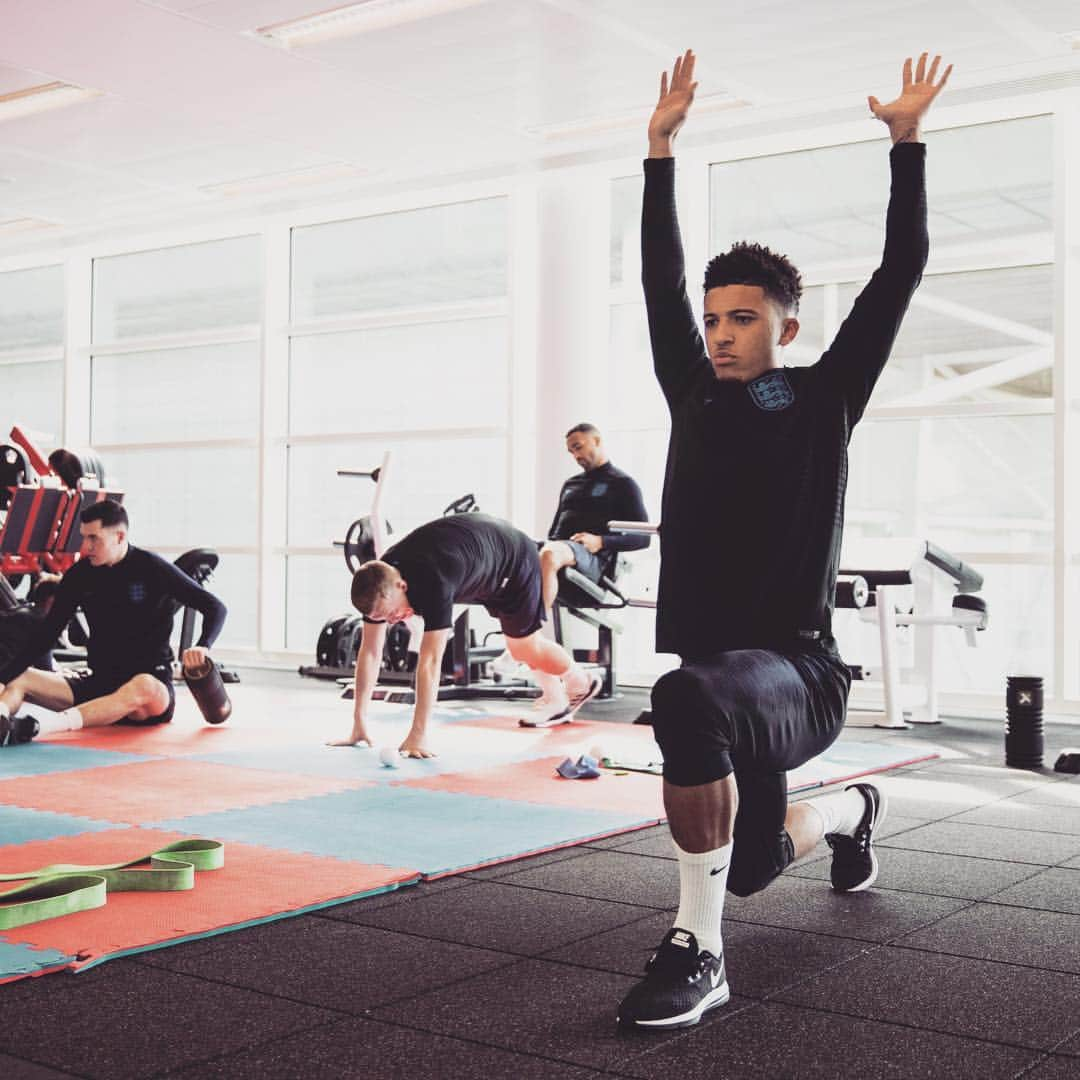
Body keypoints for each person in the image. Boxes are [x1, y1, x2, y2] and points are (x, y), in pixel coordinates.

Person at [617, 49, 950, 1030]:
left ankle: (699, 952)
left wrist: (907, 146)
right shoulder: (693, 396)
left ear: (786, 329)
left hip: (798, 675)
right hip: (726, 682)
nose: (720, 333)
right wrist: (657, 151)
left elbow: (900, 273)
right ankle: (852, 815)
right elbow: (657, 277)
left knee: (682, 701)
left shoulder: (821, 398)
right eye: (714, 319)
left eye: (742, 319)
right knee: (754, 862)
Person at [332, 512, 602, 757]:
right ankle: (556, 698)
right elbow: (369, 652)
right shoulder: (379, 582)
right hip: (477, 565)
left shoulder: (433, 581)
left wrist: (418, 735)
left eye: (392, 614)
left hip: (513, 559)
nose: (391, 622)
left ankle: (581, 681)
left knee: (523, 647)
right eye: (382, 618)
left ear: (402, 585)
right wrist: (359, 722)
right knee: (521, 645)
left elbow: (430, 663)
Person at [0, 499, 227, 746]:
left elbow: (215, 607)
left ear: (119, 536)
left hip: (148, 693)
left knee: (144, 685)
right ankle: (2, 720)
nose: (86, 547)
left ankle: (35, 728)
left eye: (94, 538)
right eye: (84, 538)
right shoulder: (80, 575)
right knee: (21, 676)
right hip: (99, 685)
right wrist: (4, 678)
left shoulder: (151, 567)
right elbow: (46, 635)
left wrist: (203, 645)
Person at [539, 423, 650, 613]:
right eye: (571, 451)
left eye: (578, 447)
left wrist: (601, 541)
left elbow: (644, 538)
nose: (576, 456)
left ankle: (531, 631)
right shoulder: (570, 484)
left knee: (549, 554)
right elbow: (554, 532)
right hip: (562, 549)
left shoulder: (623, 484)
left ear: (596, 441)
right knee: (517, 549)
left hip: (591, 560)